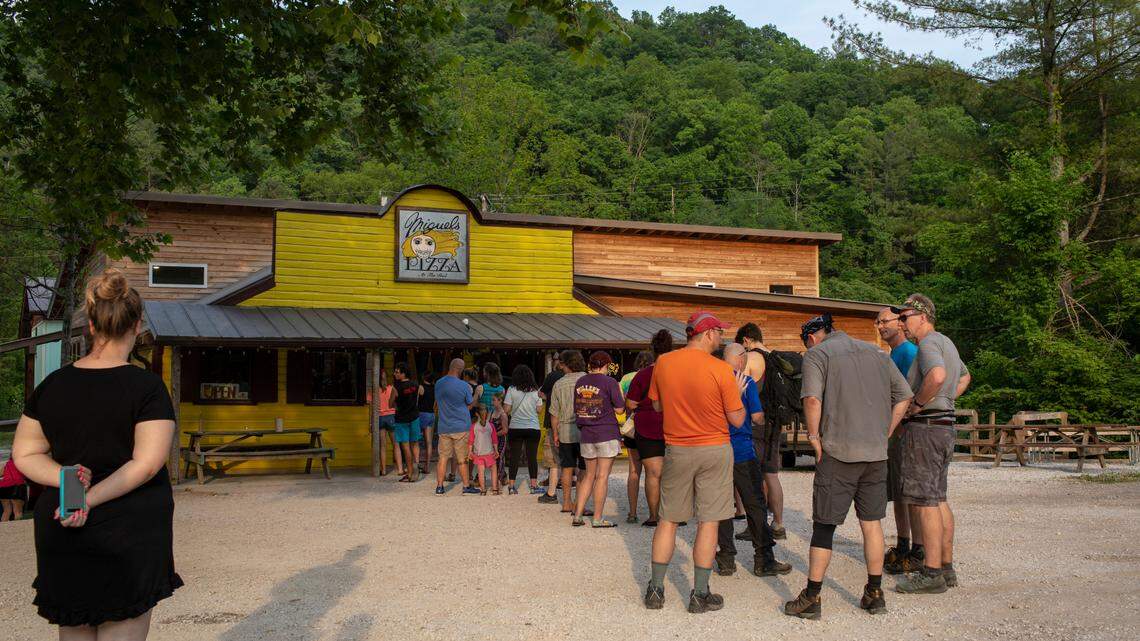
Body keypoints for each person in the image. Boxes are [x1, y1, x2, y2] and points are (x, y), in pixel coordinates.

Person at [12, 268, 181, 639]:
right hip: (127, 530)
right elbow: (146, 464)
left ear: (90, 324)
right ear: (137, 326)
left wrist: (69, 485)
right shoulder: (147, 387)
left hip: (64, 524)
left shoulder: (53, 385)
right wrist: (88, 500)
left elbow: (25, 453)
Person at [783, 314, 912, 620]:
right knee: (872, 523)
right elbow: (905, 395)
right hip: (875, 453)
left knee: (824, 526)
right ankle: (874, 593)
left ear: (812, 337)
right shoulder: (877, 353)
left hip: (838, 452)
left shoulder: (818, 354)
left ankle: (812, 597)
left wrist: (814, 438)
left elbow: (812, 399)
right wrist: (887, 430)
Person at [644, 310, 747, 614]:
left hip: (677, 447)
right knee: (709, 520)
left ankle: (655, 590)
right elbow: (737, 419)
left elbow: (657, 404)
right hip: (714, 448)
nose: (722, 337)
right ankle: (699, 594)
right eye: (720, 332)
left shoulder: (663, 362)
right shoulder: (720, 369)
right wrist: (738, 393)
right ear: (708, 334)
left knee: (668, 519)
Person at [892, 294, 971, 594]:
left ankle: (932, 573)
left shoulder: (927, 344)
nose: (902, 322)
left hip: (925, 429)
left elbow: (937, 376)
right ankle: (946, 567)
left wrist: (920, 404)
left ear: (923, 316)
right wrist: (945, 402)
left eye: (906, 316)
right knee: (938, 499)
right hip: (944, 426)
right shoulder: (946, 342)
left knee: (924, 502)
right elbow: (964, 376)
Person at [717, 344, 793, 578]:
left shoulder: (713, 380)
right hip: (741, 450)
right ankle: (763, 559)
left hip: (717, 451)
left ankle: (726, 558)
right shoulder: (746, 382)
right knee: (755, 504)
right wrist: (762, 420)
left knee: (721, 506)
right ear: (740, 360)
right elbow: (758, 416)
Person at [875, 307, 924, 574]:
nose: (881, 326)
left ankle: (917, 549)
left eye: (886, 321)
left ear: (900, 323)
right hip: (896, 430)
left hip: (905, 430)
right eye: (878, 322)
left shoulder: (908, 353)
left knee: (909, 492)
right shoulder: (894, 354)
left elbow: (907, 394)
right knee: (898, 492)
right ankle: (903, 543)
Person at [735, 322, 786, 540]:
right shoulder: (773, 355)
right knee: (771, 474)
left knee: (754, 475)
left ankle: (756, 525)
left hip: (757, 424)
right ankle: (778, 524)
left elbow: (737, 385)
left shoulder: (753, 357)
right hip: (774, 423)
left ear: (746, 340)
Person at [571, 351, 625, 528]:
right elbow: (619, 409)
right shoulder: (609, 382)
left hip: (586, 433)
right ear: (606, 365)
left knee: (588, 476)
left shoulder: (580, 382)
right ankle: (597, 518)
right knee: (602, 477)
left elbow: (577, 408)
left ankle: (578, 515)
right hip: (606, 433)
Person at [626, 330, 671, 527]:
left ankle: (654, 516)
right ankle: (674, 513)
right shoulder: (678, 372)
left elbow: (630, 403)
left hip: (647, 426)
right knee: (675, 473)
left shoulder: (643, 375)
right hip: (676, 425)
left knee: (653, 474)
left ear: (652, 350)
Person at [549, 350, 588, 514]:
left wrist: (555, 433)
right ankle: (580, 504)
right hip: (585, 429)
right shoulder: (587, 379)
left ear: (566, 364)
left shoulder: (559, 384)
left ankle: (566, 502)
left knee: (567, 467)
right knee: (584, 469)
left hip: (565, 430)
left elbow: (554, 412)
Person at [435, 358, 481, 495]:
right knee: (462, 459)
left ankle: (439, 487)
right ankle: (466, 486)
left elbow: (438, 401)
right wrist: (476, 396)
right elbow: (469, 404)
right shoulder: (464, 386)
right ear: (460, 370)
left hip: (444, 425)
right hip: (461, 426)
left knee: (443, 457)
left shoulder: (438, 383)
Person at [621, 351, 652, 523]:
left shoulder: (627, 378)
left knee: (634, 471)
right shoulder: (654, 375)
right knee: (653, 473)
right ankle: (654, 511)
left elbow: (622, 402)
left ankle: (632, 513)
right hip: (650, 426)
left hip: (631, 427)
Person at [504, 364, 544, 495]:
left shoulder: (511, 389)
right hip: (532, 427)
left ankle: (511, 486)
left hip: (515, 427)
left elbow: (506, 409)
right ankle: (533, 485)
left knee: (514, 457)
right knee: (532, 457)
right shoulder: (535, 390)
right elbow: (539, 410)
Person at [537, 353, 565, 504]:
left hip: (553, 421)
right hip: (571, 422)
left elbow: (541, 393)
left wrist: (550, 398)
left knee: (553, 460)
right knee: (571, 459)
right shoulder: (576, 378)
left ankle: (551, 492)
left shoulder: (552, 376)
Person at [392, 363, 422, 483]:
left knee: (405, 447)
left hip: (402, 419)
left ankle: (410, 473)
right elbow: (421, 394)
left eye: (397, 372)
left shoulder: (396, 387)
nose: (395, 374)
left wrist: (396, 404)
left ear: (403, 373)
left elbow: (391, 403)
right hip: (414, 416)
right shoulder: (415, 384)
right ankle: (416, 465)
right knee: (414, 443)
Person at [468, 405, 500, 495]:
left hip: (478, 453)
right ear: (487, 414)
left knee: (480, 472)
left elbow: (471, 441)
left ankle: (483, 490)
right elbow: (494, 440)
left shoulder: (473, 426)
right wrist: (496, 450)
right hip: (489, 452)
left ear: (476, 414)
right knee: (494, 470)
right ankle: (494, 489)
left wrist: (470, 452)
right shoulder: (491, 426)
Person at [377, 369, 402, 477]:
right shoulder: (392, 388)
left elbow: (371, 408)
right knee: (395, 444)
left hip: (380, 417)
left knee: (383, 446)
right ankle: (400, 469)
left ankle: (383, 470)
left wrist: (370, 423)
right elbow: (399, 400)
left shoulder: (374, 390)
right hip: (391, 416)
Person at [417, 371, 437, 475]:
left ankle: (415, 464)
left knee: (416, 440)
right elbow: (434, 404)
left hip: (422, 414)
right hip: (431, 414)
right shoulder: (434, 389)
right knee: (429, 442)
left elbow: (416, 402)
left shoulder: (421, 387)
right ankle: (427, 466)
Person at [491, 393, 510, 486]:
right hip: (493, 440)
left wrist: (494, 435)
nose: (492, 402)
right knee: (494, 459)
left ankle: (499, 479)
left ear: (500, 401)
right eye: (492, 400)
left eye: (494, 400)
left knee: (499, 459)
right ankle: (503, 477)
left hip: (501, 440)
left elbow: (505, 430)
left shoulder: (503, 414)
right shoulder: (492, 412)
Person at [1, 457, 28, 521]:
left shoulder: (6, 464)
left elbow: (1, 474)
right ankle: (18, 529)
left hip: (2, 487)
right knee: (18, 511)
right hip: (16, 485)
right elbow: (27, 474)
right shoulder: (21, 463)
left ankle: (4, 529)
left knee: (6, 511)